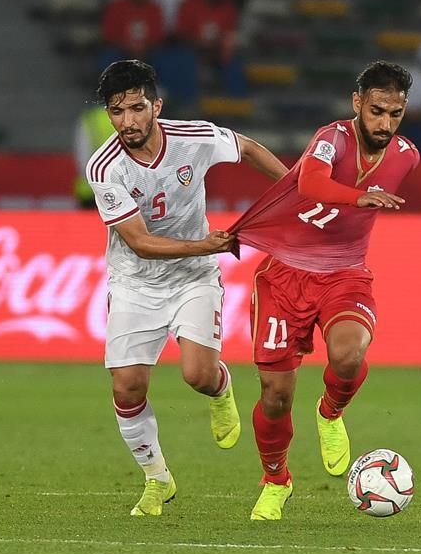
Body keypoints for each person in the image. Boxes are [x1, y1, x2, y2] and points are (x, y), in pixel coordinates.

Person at [86, 60, 288, 516]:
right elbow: (137, 243)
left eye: (137, 108)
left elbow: (249, 148)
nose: (128, 121)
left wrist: (295, 188)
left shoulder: (192, 138)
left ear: (156, 106)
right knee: (127, 387)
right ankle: (157, 478)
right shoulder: (104, 167)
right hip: (136, 281)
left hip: (193, 278)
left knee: (197, 375)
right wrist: (205, 244)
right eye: (117, 112)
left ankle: (221, 392)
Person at [228, 61, 417, 520]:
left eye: (395, 114)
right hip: (284, 277)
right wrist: (358, 196)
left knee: (350, 355)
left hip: (344, 274)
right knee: (275, 396)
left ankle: (331, 412)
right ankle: (276, 479)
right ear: (357, 104)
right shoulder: (330, 139)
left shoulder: (407, 155)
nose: (385, 124)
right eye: (376, 111)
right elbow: (308, 183)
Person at [176, 0, 247, 99]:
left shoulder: (228, 7)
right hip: (191, 50)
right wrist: (199, 47)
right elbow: (181, 34)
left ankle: (238, 102)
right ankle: (189, 102)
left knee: (233, 64)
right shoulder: (189, 4)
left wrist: (218, 49)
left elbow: (229, 34)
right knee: (182, 61)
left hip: (217, 51)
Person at [73, 105, 114, 209]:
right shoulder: (129, 116)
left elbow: (82, 153)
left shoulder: (90, 118)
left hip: (90, 187)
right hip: (120, 187)